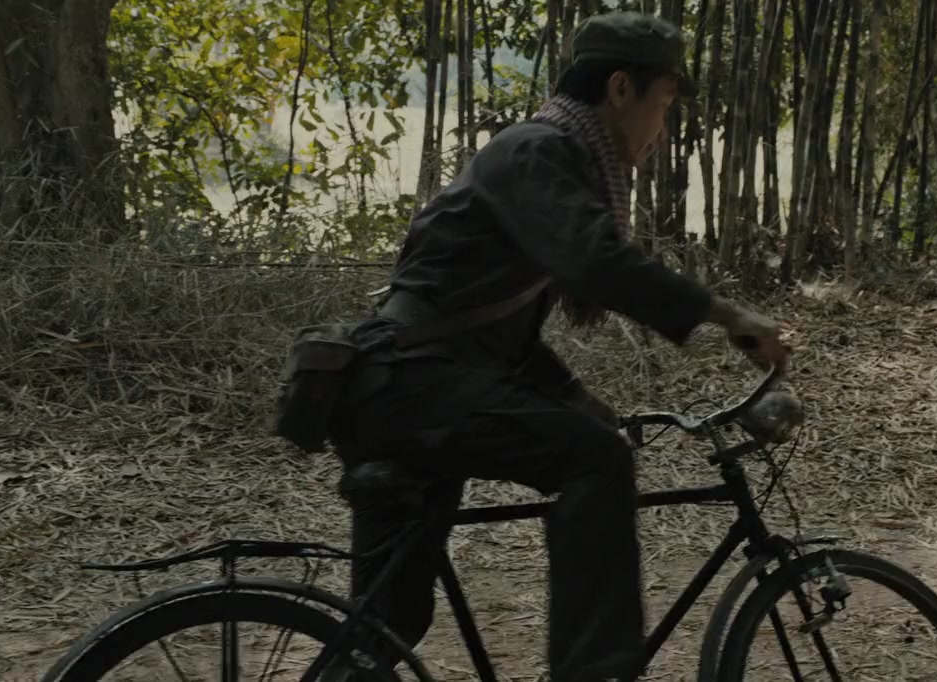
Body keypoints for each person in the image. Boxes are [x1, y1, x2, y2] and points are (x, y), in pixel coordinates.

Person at [325, 11, 788, 681]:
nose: (662, 130)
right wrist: (726, 313)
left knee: (386, 627)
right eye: (663, 103)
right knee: (596, 459)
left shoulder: (551, 159)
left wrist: (574, 396)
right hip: (410, 384)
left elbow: (494, 334)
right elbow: (597, 263)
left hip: (400, 385)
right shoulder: (537, 152)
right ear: (621, 89)